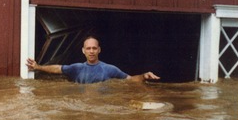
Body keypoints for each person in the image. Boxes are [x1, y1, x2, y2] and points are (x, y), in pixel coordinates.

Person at [26, 36, 160, 84]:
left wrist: (143, 76)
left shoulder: (109, 69)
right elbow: (58, 68)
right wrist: (38, 67)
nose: (91, 51)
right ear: (83, 51)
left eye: (94, 48)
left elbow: (130, 80)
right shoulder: (76, 68)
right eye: (88, 48)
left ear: (99, 50)